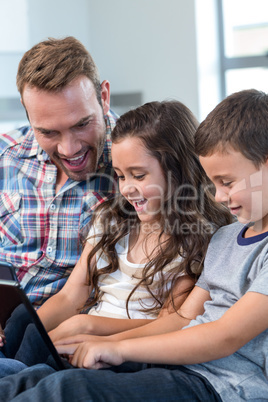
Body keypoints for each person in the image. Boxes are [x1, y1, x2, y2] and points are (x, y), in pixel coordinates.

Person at [0, 89, 266, 402]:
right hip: (176, 362)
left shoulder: (206, 237)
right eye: (215, 182)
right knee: (35, 373)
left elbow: (223, 335)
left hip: (221, 383)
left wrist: (113, 345)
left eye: (228, 183)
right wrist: (100, 344)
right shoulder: (226, 240)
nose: (219, 196)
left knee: (66, 388)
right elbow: (184, 320)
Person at [0, 36, 118, 308]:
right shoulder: (6, 157)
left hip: (76, 334)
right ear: (27, 111)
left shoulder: (144, 164)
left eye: (81, 124)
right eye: (48, 132)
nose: (69, 149)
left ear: (104, 97)